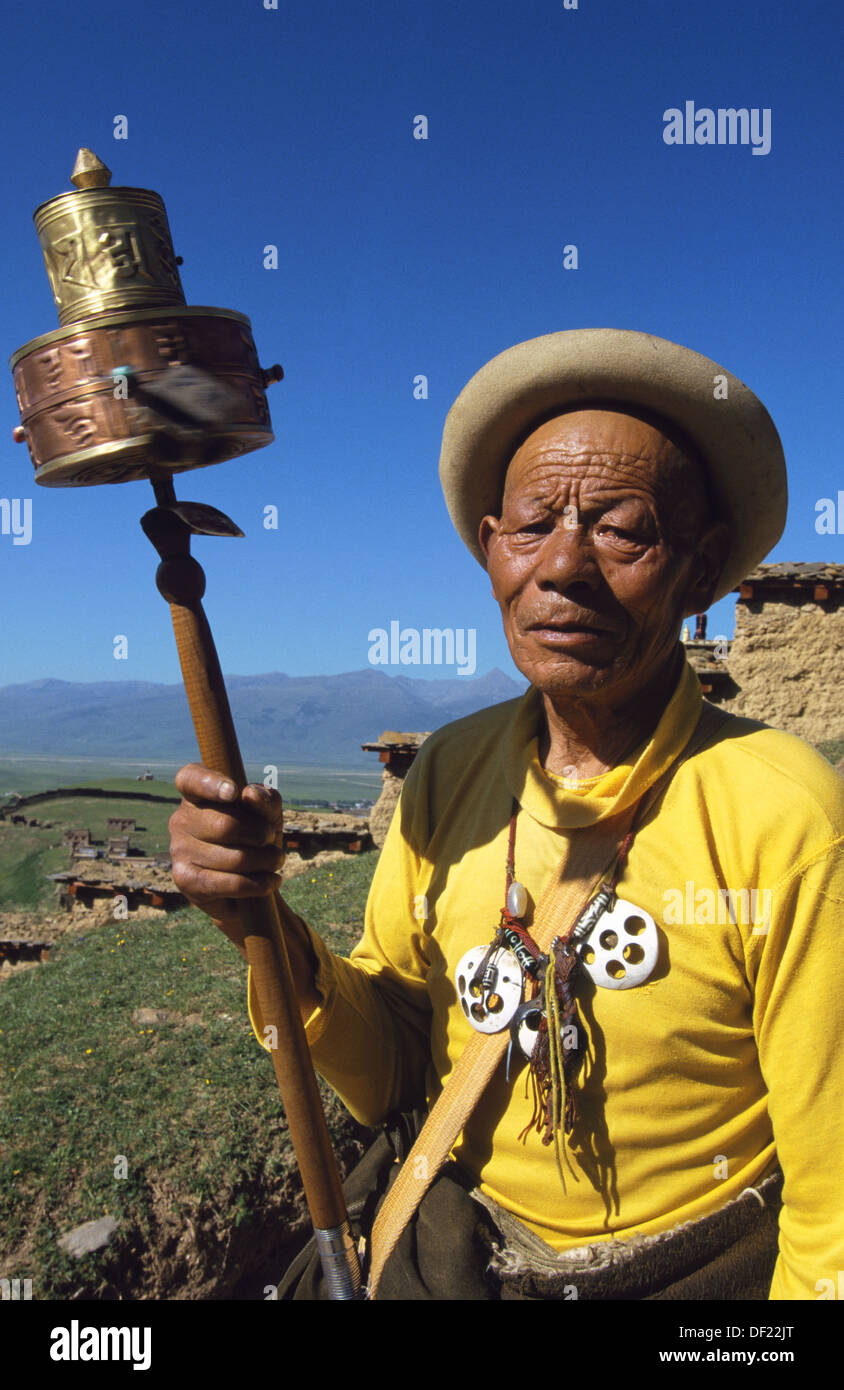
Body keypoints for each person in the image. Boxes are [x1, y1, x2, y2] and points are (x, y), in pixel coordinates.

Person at [169, 329, 844, 1300]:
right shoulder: (448, 774)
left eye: (619, 528)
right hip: (457, 1249)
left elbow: (828, 1208)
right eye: (533, 527)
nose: (563, 565)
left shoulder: (784, 814)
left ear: (700, 575)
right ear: (491, 552)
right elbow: (397, 1073)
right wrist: (264, 926)